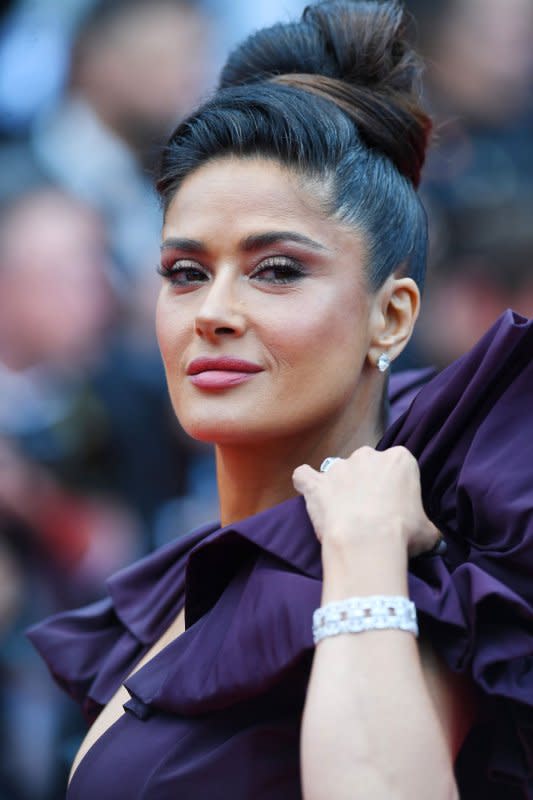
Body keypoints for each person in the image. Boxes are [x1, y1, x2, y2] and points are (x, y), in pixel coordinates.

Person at [28, 2, 533, 798]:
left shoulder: (425, 583)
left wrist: (365, 550)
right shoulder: (186, 580)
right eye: (185, 272)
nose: (213, 311)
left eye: (277, 271)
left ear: (391, 314)